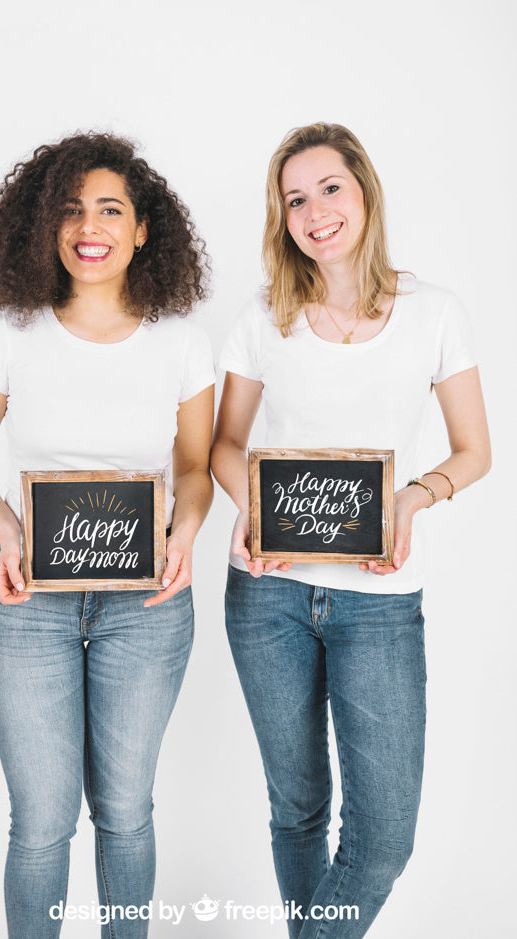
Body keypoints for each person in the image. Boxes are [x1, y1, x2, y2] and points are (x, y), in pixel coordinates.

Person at [210, 122, 491, 938]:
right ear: (282, 217)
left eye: (330, 187)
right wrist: (254, 509)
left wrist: (413, 496)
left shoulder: (434, 312)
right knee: (297, 810)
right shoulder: (266, 316)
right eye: (295, 199)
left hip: (380, 601)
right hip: (269, 598)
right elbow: (227, 445)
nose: (315, 211)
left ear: (364, 189)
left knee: (382, 839)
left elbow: (475, 451)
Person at [0, 132, 214, 939]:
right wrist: (6, 527)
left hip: (149, 600)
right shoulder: (9, 333)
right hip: (27, 596)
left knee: (126, 810)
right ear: (45, 227)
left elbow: (195, 470)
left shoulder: (182, 342)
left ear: (140, 231)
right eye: (70, 209)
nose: (88, 226)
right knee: (41, 819)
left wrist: (185, 533)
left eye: (110, 209)